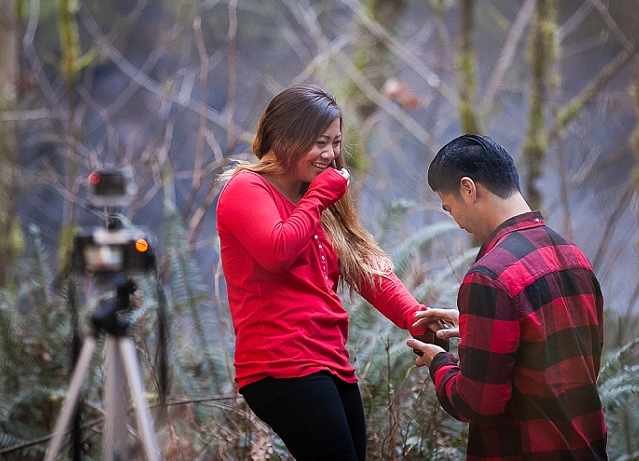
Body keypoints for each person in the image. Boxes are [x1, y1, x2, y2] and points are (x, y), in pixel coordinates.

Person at [216, 85, 438, 461]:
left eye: (335, 143)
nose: (331, 154)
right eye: (320, 142)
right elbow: (277, 251)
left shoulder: (313, 196)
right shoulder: (246, 188)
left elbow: (365, 267)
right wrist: (319, 197)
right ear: (285, 138)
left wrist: (415, 317)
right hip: (281, 365)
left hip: (329, 360)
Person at [407, 134, 607, 460]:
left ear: (469, 189)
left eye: (450, 207)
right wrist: (474, 326)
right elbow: (571, 362)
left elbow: (478, 402)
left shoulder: (489, 277)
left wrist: (437, 361)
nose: (456, 222)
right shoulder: (574, 256)